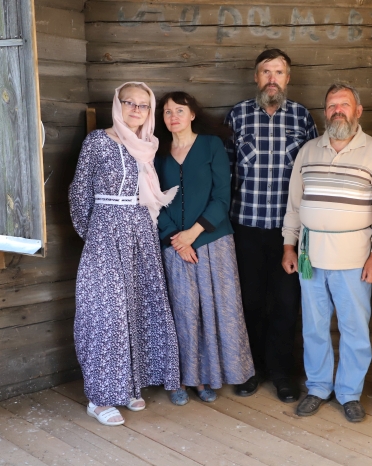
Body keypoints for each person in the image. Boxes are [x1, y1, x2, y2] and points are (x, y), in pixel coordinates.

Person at [69, 82, 180, 426]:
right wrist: (95, 235)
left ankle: (129, 386)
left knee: (138, 305)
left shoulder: (147, 146)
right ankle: (100, 397)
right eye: (129, 102)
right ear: (117, 104)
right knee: (106, 313)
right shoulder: (98, 142)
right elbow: (79, 192)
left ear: (150, 111)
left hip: (140, 231)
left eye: (144, 105)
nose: (136, 109)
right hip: (105, 231)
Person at [282, 83, 372, 422]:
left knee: (354, 328)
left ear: (358, 111)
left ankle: (349, 393)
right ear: (324, 111)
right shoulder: (308, 151)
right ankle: (317, 387)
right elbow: (294, 204)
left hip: (354, 258)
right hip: (310, 257)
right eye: (331, 105)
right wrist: (288, 244)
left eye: (344, 104)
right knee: (314, 327)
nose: (337, 110)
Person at [225, 49, 318, 402]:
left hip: (287, 234)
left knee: (284, 304)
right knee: (248, 302)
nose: (272, 79)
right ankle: (250, 370)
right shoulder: (237, 116)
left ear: (288, 78)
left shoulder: (302, 118)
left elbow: (310, 175)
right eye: (266, 72)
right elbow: (228, 172)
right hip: (246, 228)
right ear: (256, 77)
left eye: (279, 72)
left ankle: (281, 373)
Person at [154, 91, 254, 406]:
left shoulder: (211, 146)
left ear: (193, 114)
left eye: (179, 110)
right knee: (183, 313)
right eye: (168, 111)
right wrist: (175, 238)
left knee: (217, 311)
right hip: (174, 245)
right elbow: (154, 201)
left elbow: (223, 196)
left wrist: (192, 234)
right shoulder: (157, 154)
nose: (173, 116)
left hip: (213, 241)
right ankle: (183, 379)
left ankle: (208, 378)